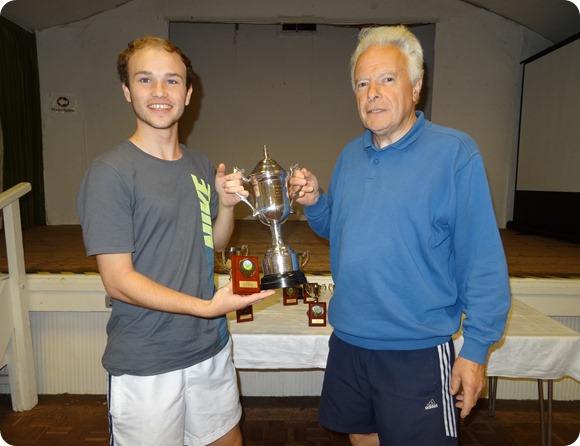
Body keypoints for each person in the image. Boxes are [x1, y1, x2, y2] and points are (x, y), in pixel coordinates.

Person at [289, 25, 511, 446]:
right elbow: (341, 230)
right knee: (361, 438)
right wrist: (317, 200)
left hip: (417, 350)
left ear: (416, 86)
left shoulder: (455, 154)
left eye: (387, 79)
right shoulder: (350, 155)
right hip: (350, 341)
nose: (372, 92)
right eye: (362, 83)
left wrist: (476, 349)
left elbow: (481, 260)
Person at [77, 36, 274, 446]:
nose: (160, 92)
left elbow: (215, 244)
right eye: (145, 80)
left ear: (187, 93)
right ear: (127, 90)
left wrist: (223, 207)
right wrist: (206, 308)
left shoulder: (200, 163)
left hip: (209, 349)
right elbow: (117, 281)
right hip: (148, 360)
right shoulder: (110, 173)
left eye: (171, 81)